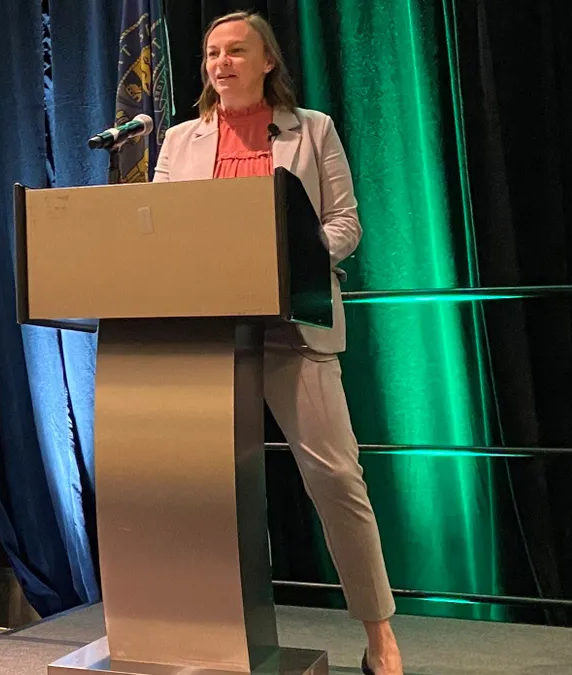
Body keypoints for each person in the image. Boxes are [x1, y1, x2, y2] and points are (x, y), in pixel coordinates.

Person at [152, 11, 403, 675]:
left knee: (336, 476)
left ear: (268, 61)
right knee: (201, 486)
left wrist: (301, 254)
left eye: (237, 50)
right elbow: (158, 228)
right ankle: (203, 631)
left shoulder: (311, 129)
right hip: (208, 333)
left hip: (294, 327)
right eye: (211, 53)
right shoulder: (179, 141)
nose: (221, 63)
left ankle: (380, 635)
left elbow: (346, 222)